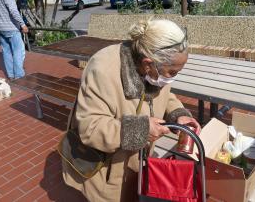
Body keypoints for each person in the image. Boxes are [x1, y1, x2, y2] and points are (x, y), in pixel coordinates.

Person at [61, 18, 201, 202]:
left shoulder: (155, 68)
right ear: (148, 64)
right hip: (107, 168)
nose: (173, 78)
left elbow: (165, 95)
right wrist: (141, 130)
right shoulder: (103, 68)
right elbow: (90, 128)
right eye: (172, 72)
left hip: (136, 161)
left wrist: (179, 115)